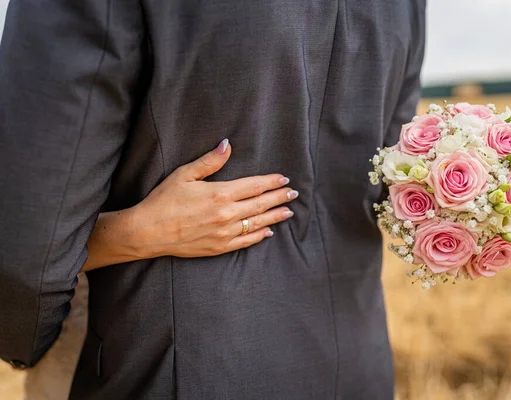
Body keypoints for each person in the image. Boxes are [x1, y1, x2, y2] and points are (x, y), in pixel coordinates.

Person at [0, 1, 426, 399]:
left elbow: (30, 237)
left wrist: (22, 336)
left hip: (169, 365)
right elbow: (390, 173)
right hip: (358, 363)